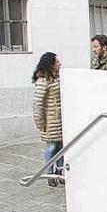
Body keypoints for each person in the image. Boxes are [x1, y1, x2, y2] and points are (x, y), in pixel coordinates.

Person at [31, 52, 63, 188]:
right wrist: (41, 124)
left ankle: (60, 173)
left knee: (62, 148)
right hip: (51, 122)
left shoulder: (56, 78)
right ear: (50, 65)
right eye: (57, 62)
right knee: (51, 148)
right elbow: (38, 105)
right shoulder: (43, 81)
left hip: (59, 121)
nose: (60, 63)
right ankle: (50, 174)